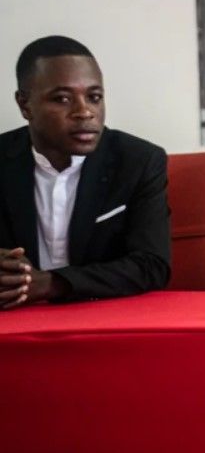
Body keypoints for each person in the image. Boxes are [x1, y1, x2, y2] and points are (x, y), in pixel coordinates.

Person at [0, 36, 170, 309]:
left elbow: (151, 265)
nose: (85, 112)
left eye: (94, 97)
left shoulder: (138, 162)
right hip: (15, 319)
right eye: (63, 99)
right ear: (25, 105)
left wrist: (52, 283)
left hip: (102, 314)